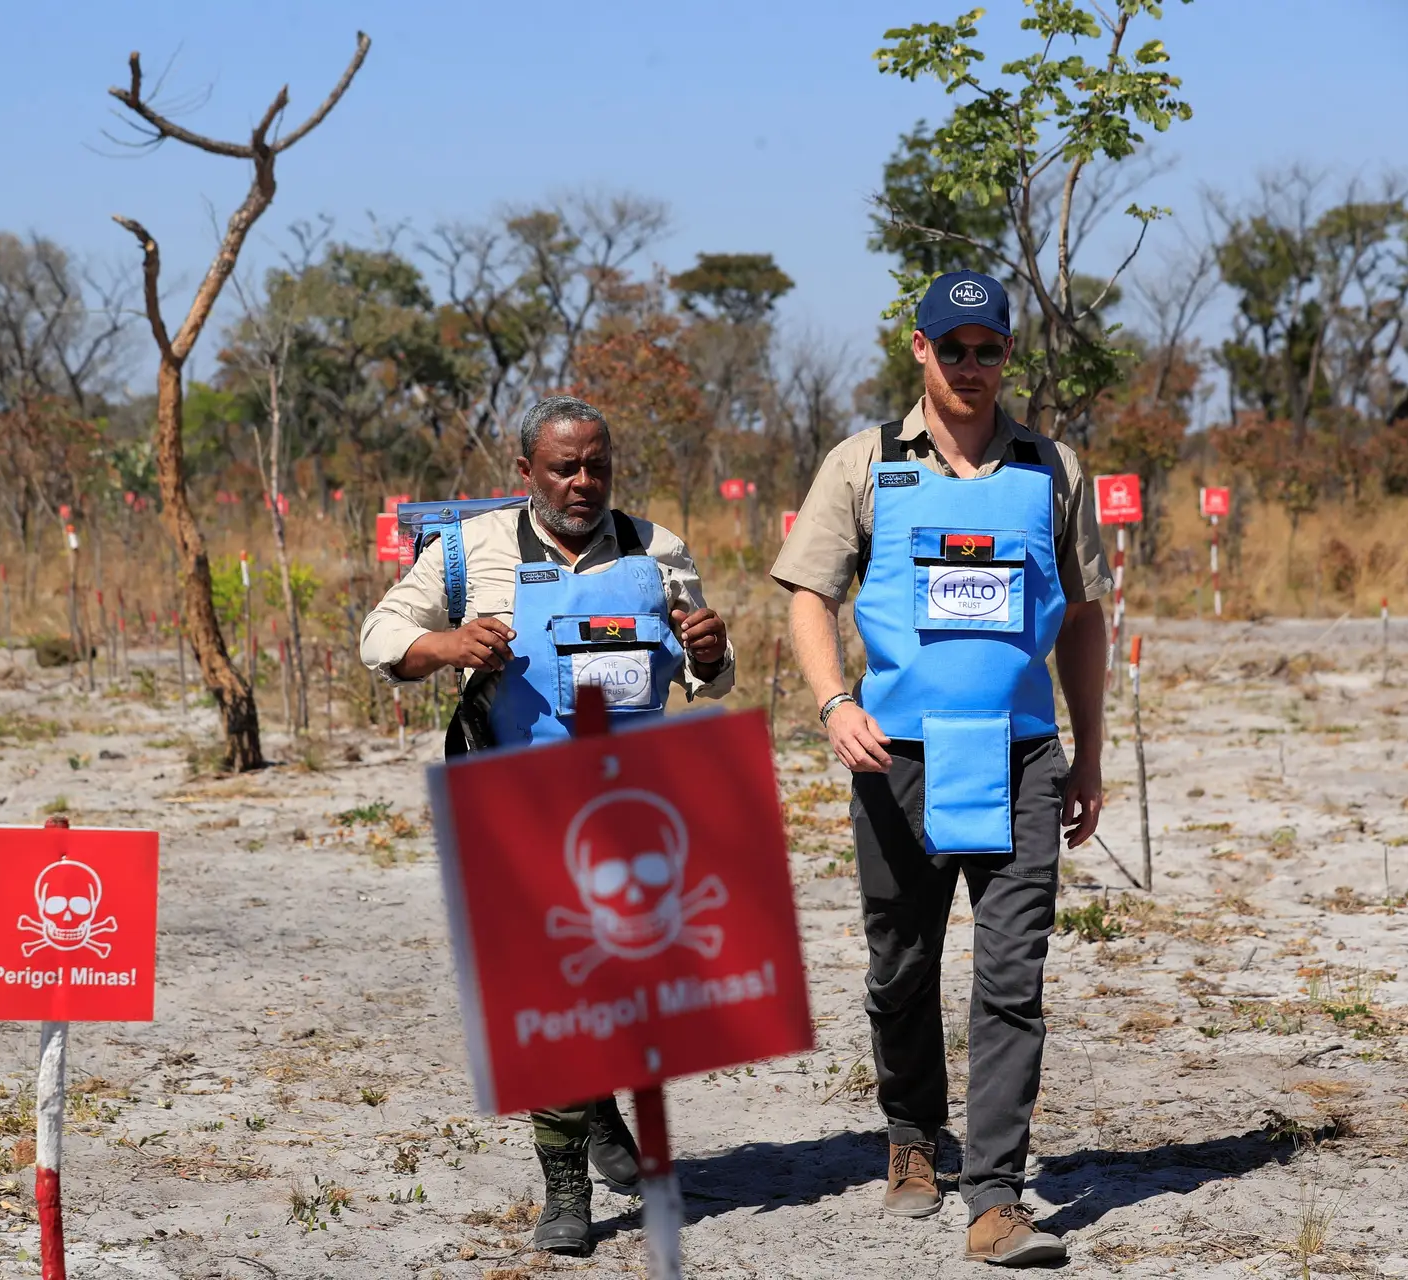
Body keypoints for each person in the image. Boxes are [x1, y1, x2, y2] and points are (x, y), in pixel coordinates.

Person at [769, 271, 1109, 1266]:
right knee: (902, 964)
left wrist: (1087, 750)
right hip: (897, 758)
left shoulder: (1054, 468)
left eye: (987, 347)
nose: (970, 364)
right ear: (918, 349)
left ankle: (997, 1195)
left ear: (1008, 354)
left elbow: (1081, 618)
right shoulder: (864, 461)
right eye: (951, 346)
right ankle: (913, 1138)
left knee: (1012, 973)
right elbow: (805, 592)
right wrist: (835, 703)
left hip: (1021, 758)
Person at [360, 393, 735, 1256]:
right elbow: (382, 636)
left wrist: (710, 653)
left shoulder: (656, 548)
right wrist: (448, 646)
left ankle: (597, 1114)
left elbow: (703, 671)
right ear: (524, 471)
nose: (582, 481)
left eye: (596, 465)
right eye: (563, 467)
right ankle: (564, 1186)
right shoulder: (470, 550)